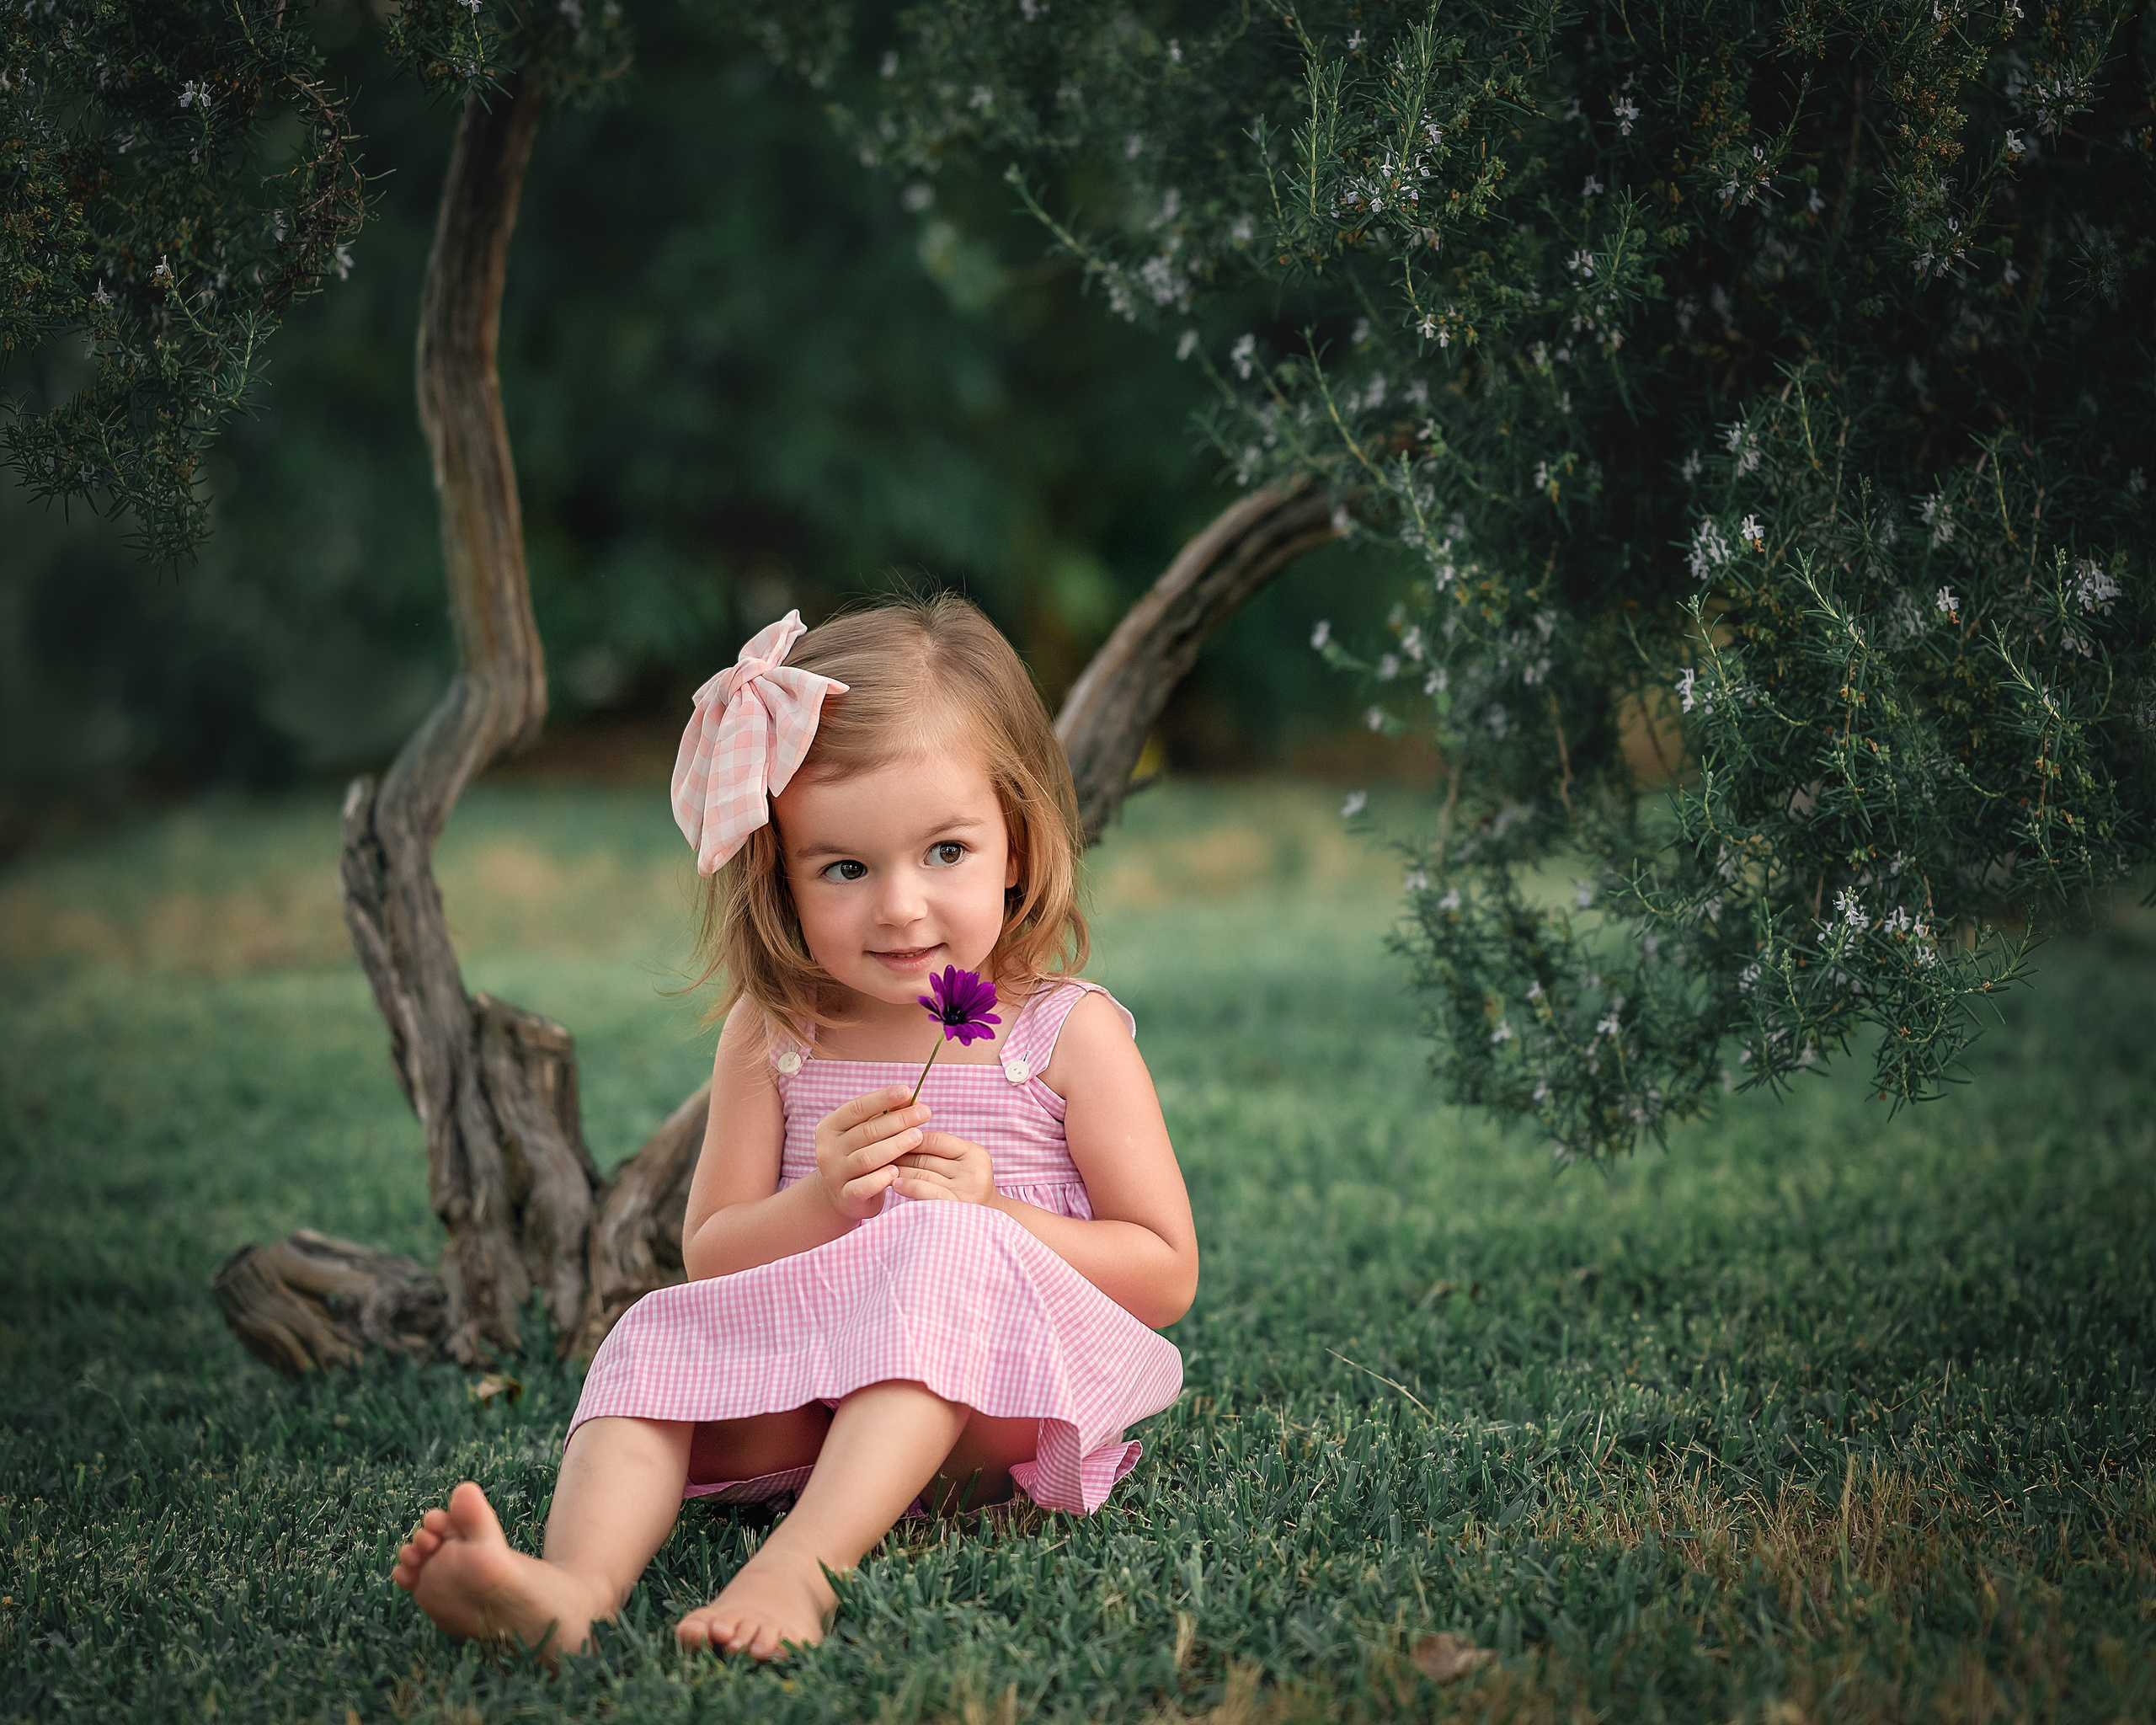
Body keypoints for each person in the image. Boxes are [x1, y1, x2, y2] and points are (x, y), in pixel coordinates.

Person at [390, 595, 1198, 1661]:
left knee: (939, 1243)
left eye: (945, 850)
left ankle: (799, 1567)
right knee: (653, 1333)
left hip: (993, 1416)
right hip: (807, 1415)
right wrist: (822, 1200)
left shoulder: (1063, 1034)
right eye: (846, 869)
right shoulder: (775, 1035)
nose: (901, 907)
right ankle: (568, 1588)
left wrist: (994, 1210)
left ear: (1017, 841)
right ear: (782, 875)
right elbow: (711, 1249)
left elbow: (1164, 1271)